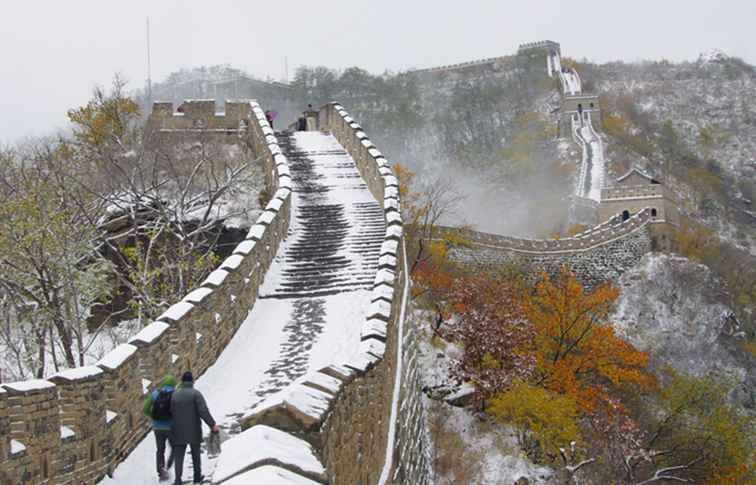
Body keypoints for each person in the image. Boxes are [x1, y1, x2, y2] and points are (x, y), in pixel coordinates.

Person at [170, 371, 219, 485]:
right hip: (194, 430)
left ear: (182, 381)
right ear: (192, 381)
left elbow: (170, 412)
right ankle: (197, 476)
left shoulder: (174, 395)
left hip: (178, 430)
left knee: (179, 456)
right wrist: (212, 425)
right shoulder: (196, 394)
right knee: (195, 455)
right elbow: (203, 411)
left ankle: (178, 479)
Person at [142, 374, 177, 481]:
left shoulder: (155, 394)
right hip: (171, 427)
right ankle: (167, 466)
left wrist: (153, 417)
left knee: (160, 450)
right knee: (175, 447)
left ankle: (161, 470)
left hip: (157, 428)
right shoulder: (176, 394)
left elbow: (145, 409)